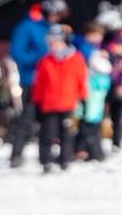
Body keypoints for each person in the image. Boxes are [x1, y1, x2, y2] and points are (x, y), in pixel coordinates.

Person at [7, 0, 69, 168]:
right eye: (56, 14)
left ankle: (46, 156)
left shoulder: (53, 29)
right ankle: (16, 154)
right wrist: (42, 57)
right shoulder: (27, 27)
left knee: (50, 123)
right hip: (32, 81)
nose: (58, 18)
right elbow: (17, 54)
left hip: (53, 83)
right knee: (27, 118)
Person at [30, 29, 87, 173]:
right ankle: (46, 161)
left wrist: (83, 99)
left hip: (69, 104)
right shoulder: (45, 61)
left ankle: (65, 160)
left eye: (56, 43)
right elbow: (39, 84)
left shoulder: (76, 59)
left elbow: (81, 80)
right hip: (49, 105)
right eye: (51, 43)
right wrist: (37, 102)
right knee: (47, 134)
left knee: (67, 134)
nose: (53, 46)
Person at [77, 25, 112, 164]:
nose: (100, 38)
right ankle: (93, 152)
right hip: (90, 89)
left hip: (96, 90)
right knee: (90, 120)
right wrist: (100, 56)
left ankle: (86, 150)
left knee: (93, 120)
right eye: (97, 35)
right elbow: (103, 67)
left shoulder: (93, 49)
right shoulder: (87, 49)